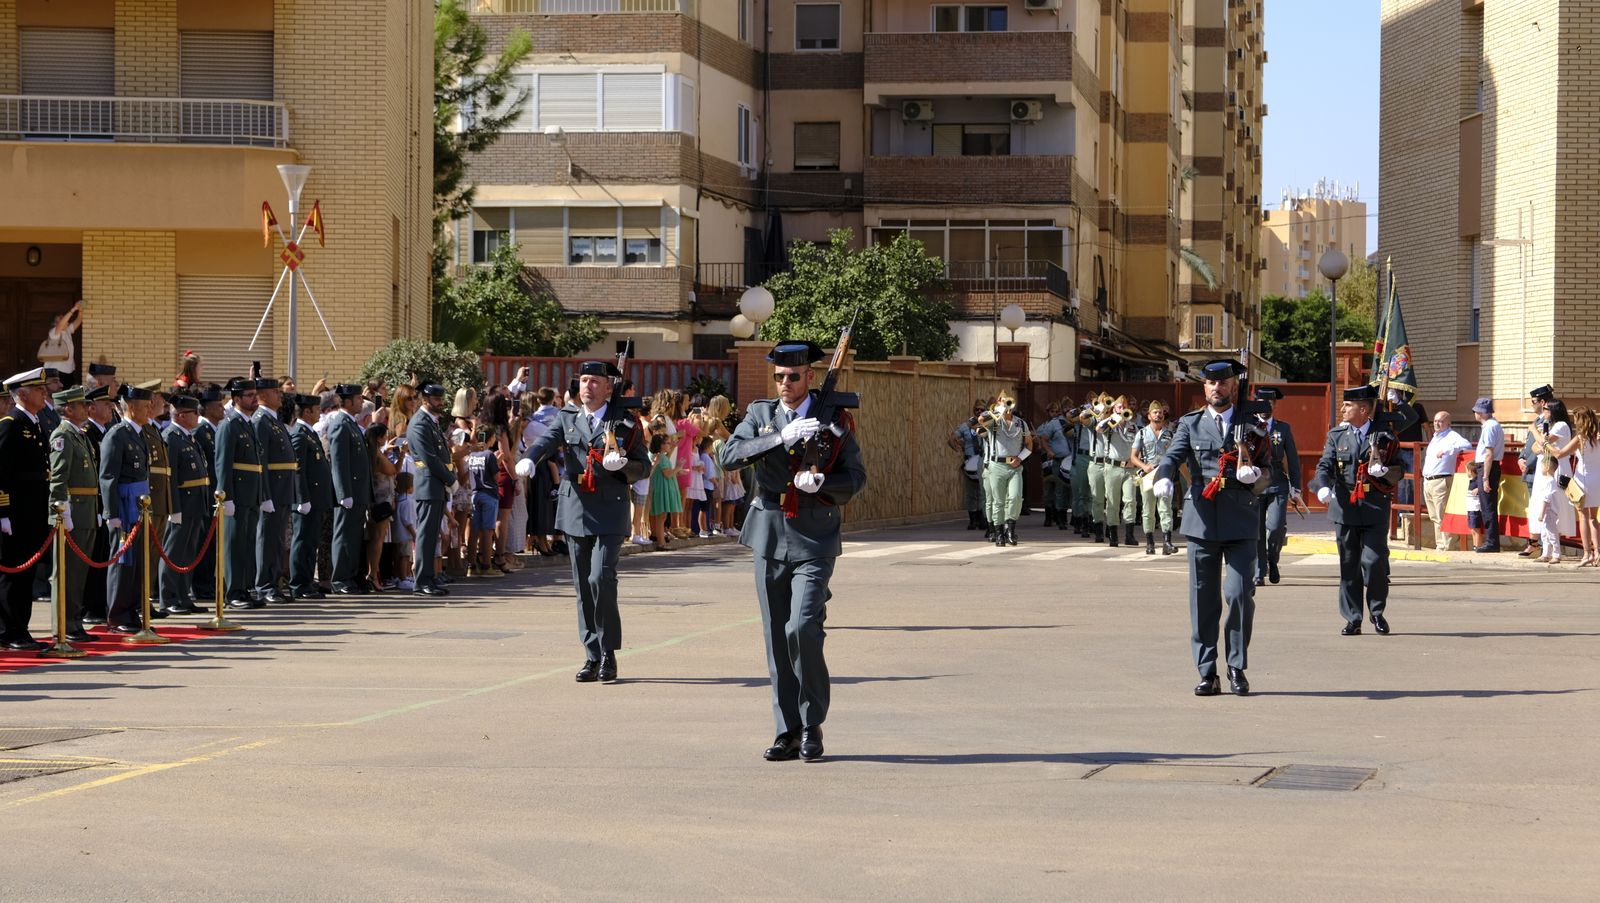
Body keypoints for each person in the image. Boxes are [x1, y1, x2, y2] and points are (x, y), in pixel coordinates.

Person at [719, 342, 867, 761]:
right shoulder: (761, 415)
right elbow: (729, 456)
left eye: (793, 376)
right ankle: (787, 730)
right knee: (775, 636)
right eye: (779, 376)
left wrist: (823, 484)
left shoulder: (834, 418)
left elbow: (856, 477)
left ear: (810, 377)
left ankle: (812, 722)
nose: (785, 383)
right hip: (768, 531)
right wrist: (778, 438)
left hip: (815, 535)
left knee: (801, 627)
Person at [516, 361, 650, 682]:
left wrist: (623, 466)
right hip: (576, 507)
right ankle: (592, 655)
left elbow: (643, 467)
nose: (587, 386)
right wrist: (529, 458)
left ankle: (608, 651)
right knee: (583, 586)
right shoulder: (568, 417)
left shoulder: (625, 422)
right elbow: (546, 441)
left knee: (601, 577)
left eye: (594, 381)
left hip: (611, 507)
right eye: (584, 380)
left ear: (608, 388)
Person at [1152, 360, 1262, 697]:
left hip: (1241, 520)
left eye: (1223, 383)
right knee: (1203, 600)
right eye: (1211, 383)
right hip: (1202, 521)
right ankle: (1207, 671)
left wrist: (1256, 476)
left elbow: (1270, 469)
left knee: (1239, 593)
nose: (1217, 388)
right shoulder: (1191, 423)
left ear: (1234, 387)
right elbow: (1173, 456)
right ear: (1204, 387)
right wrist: (1164, 476)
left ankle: (1236, 666)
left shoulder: (1252, 423)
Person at [1315, 386, 1406, 636]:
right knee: (1349, 565)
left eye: (1348, 405)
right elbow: (1325, 465)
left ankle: (1377, 612)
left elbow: (1400, 469)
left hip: (1374, 505)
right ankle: (1353, 618)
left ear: (1363, 410)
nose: (1343, 409)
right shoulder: (1337, 435)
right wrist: (1323, 486)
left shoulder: (1385, 436)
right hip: (1345, 508)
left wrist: (1385, 472)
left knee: (1374, 561)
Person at [0, 368, 54, 650]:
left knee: (27, 574)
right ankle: (9, 632)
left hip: (33, 510)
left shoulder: (34, 422)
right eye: (39, 390)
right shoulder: (10, 424)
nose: (44, 393)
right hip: (16, 512)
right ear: (22, 394)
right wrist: (3, 512)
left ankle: (21, 629)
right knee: (13, 573)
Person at [99, 384, 156, 634]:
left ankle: (132, 610)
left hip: (139, 504)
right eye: (145, 406)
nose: (150, 410)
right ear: (131, 407)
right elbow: (108, 477)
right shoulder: (117, 435)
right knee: (123, 562)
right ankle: (117, 614)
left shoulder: (139, 433)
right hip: (123, 506)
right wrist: (112, 513)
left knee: (137, 563)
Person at [47, 385, 98, 642]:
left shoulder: (79, 435)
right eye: (82, 405)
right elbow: (58, 478)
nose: (88, 408)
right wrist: (61, 511)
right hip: (72, 510)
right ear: (68, 408)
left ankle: (74, 622)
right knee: (68, 572)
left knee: (79, 573)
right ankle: (64, 625)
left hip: (86, 510)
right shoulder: (63, 436)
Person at [215, 377, 266, 610]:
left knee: (247, 544)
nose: (255, 399)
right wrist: (226, 497)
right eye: (249, 395)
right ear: (236, 399)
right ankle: (233, 591)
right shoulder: (229, 425)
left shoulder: (248, 424)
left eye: (255, 394)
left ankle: (244, 588)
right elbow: (223, 464)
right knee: (234, 545)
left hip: (251, 495)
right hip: (236, 495)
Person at [155, 394, 208, 616]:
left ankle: (183, 596)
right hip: (182, 504)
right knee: (173, 552)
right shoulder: (171, 437)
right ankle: (168, 598)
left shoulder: (187, 437)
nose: (198, 417)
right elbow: (171, 477)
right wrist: (173, 509)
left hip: (194, 503)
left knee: (187, 553)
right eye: (195, 413)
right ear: (183, 415)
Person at [406, 383, 457, 597]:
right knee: (426, 535)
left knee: (432, 534)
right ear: (425, 399)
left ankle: (429, 576)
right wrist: (450, 479)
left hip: (436, 484)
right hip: (428, 483)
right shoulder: (420, 422)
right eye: (436, 399)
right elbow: (429, 458)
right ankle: (422, 581)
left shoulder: (431, 422)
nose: (441, 402)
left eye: (441, 398)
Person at [1251, 387, 1302, 586]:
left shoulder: (1283, 428)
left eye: (1270, 403)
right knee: (1256, 530)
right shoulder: (1248, 426)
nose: (1266, 407)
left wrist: (1295, 487)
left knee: (1275, 526)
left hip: (1277, 483)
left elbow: (1293, 459)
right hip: (1254, 484)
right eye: (1262, 403)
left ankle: (1272, 559)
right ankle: (1259, 571)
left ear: (1274, 405)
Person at [251, 377, 295, 603]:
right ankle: (265, 586)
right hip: (273, 490)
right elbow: (262, 462)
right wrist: (265, 495)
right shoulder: (260, 421)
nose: (280, 395)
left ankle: (274, 583)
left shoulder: (273, 420)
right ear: (263, 395)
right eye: (275, 392)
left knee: (277, 539)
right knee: (267, 538)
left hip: (283, 489)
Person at [327, 384, 372, 595]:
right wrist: (343, 493)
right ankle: (340, 579)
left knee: (353, 536)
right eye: (358, 398)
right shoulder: (340, 424)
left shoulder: (350, 423)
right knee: (344, 535)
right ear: (347, 401)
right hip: (349, 492)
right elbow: (338, 462)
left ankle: (351, 577)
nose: (361, 402)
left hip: (358, 491)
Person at [290, 394, 333, 600]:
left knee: (311, 542)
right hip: (307, 500)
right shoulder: (299, 434)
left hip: (316, 499)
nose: (319, 413)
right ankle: (298, 584)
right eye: (316, 409)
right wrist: (302, 498)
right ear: (307, 412)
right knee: (302, 542)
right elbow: (298, 469)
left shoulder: (309, 433)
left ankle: (306, 581)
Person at [1524, 399, 1576, 564]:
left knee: (1554, 509)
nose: (1544, 411)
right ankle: (1546, 551)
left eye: (1546, 409)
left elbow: (1544, 442)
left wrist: (1534, 430)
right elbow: (1536, 447)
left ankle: (1555, 552)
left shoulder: (1561, 425)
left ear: (1553, 411)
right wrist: (1540, 441)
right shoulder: (1548, 425)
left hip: (1555, 469)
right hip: (1544, 468)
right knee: (1541, 507)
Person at [979, 392, 1031, 547]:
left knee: (1015, 498)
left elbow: (1029, 444)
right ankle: (999, 533)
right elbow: (981, 420)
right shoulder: (994, 421)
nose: (1006, 405)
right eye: (1003, 402)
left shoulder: (1021, 423)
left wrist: (1020, 458)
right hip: (997, 465)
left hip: (1015, 465)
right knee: (998, 501)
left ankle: (1010, 529)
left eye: (1008, 402)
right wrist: (998, 411)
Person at [1131, 399, 1179, 556]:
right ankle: (1150, 542)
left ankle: (1167, 542)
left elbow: (1177, 455)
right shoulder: (1142, 433)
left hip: (1165, 474)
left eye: (1160, 412)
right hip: (1148, 475)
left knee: (1165, 508)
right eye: (1155, 412)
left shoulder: (1170, 434)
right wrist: (1144, 466)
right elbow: (1133, 457)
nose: (1158, 415)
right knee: (1148, 509)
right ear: (1149, 415)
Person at [1422, 411, 1474, 551]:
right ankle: (1440, 545)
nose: (1437, 424)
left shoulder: (1452, 436)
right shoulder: (1435, 437)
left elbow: (1467, 445)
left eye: (1441, 421)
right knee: (1434, 516)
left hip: (1441, 480)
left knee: (1442, 515)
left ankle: (1447, 546)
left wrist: (1448, 450)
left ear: (1448, 423)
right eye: (1435, 421)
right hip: (1428, 481)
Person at [191, 385, 224, 601]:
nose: (223, 409)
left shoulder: (214, 430)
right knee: (204, 542)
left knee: (212, 542)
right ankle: (201, 586)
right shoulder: (200, 432)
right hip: (205, 494)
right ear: (208, 408)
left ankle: (209, 583)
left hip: (215, 495)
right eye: (218, 405)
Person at [1515, 385, 1555, 558]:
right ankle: (1535, 543)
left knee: (1541, 509)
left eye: (1533, 401)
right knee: (1534, 509)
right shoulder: (1537, 421)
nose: (1531, 404)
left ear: (1543, 402)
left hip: (1538, 469)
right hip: (1531, 469)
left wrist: (1528, 463)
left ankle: (1543, 546)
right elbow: (1528, 444)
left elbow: (1542, 447)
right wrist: (1520, 458)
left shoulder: (1548, 422)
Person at [1563, 407, 1600, 567]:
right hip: (1597, 479)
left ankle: (1587, 553)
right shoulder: (1598, 437)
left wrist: (1545, 444)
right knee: (1593, 518)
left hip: (1583, 480)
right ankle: (1597, 552)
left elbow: (1560, 453)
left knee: (1583, 517)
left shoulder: (1580, 438)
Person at [464, 426, 501, 577]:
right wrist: (498, 462)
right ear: (490, 438)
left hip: (475, 494)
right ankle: (486, 566)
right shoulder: (489, 455)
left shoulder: (472, 455)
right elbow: (496, 477)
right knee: (487, 531)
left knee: (474, 531)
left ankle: (471, 566)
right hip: (488, 494)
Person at [1471, 397, 1505, 553]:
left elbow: (1489, 454)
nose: (1475, 414)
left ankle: (1492, 542)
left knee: (1488, 506)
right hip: (1488, 467)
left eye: (1476, 411)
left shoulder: (1490, 427)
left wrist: (1485, 477)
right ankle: (1491, 541)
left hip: (1487, 468)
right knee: (1487, 505)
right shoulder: (1491, 425)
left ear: (1481, 413)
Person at [1034, 401, 1074, 530]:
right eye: (1066, 408)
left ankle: (1072, 517)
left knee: (1071, 490)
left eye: (1070, 408)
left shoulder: (1077, 422)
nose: (1068, 410)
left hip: (1072, 460)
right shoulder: (1053, 424)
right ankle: (1059, 519)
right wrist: (1049, 451)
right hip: (1058, 460)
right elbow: (1043, 439)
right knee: (1058, 489)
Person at [38, 302, 81, 375]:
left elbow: (78, 321)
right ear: (55, 323)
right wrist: (73, 309)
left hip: (69, 369)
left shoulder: (67, 330)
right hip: (55, 371)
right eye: (61, 319)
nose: (65, 320)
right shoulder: (54, 331)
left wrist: (80, 310)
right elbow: (61, 324)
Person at [392, 472, 417, 591]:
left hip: (397, 533)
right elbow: (408, 521)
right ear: (409, 486)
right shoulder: (408, 501)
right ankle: (403, 579)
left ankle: (399, 576)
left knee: (398, 556)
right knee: (405, 556)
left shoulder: (398, 500)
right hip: (405, 535)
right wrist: (414, 534)